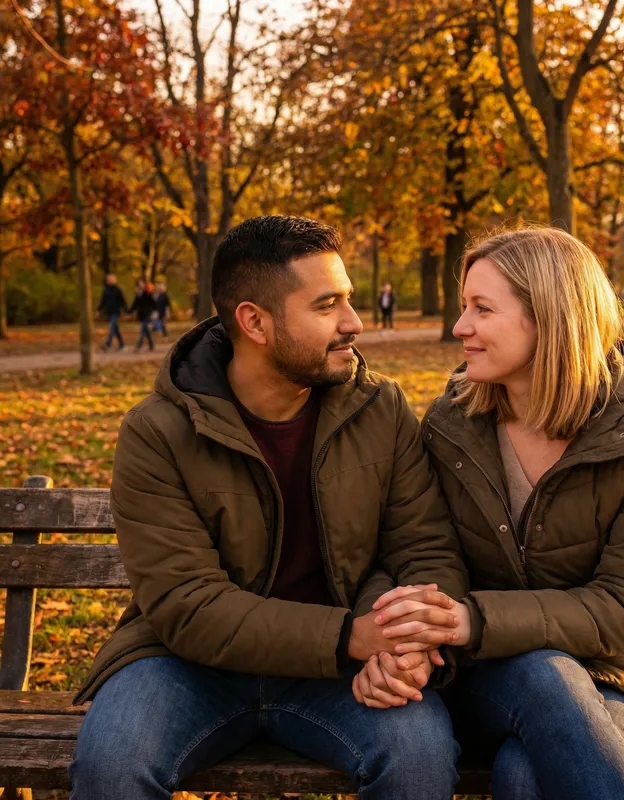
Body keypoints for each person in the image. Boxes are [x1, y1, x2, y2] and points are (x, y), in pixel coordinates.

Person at [68, 215, 469, 800]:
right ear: (254, 321)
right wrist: (349, 637)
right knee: (112, 765)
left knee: (418, 756)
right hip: (186, 665)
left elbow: (424, 546)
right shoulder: (157, 433)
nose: (353, 323)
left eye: (349, 300)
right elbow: (188, 605)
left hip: (344, 670)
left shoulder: (379, 408)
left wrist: (405, 643)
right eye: (327, 305)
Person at [357, 227, 624, 800]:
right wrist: (403, 641)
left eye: (481, 309)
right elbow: (416, 551)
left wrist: (472, 620)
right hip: (490, 675)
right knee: (543, 673)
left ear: (551, 318)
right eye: (464, 306)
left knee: (523, 776)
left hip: (620, 671)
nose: (460, 326)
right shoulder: (450, 426)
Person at [96, 274, 127, 351]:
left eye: (111, 279)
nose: (109, 281)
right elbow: (102, 301)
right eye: (108, 279)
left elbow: (123, 301)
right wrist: (98, 310)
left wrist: (127, 312)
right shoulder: (106, 290)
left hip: (116, 312)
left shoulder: (118, 289)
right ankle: (122, 344)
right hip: (109, 312)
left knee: (112, 327)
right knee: (115, 329)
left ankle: (107, 344)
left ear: (114, 280)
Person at [129, 278, 158, 352]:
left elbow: (153, 303)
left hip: (148, 313)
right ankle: (152, 345)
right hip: (141, 315)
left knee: (143, 329)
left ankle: (138, 346)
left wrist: (155, 312)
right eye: (139, 283)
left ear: (144, 283)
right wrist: (129, 312)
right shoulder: (138, 293)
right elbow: (135, 304)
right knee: (147, 330)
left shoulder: (148, 292)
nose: (140, 284)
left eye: (141, 283)